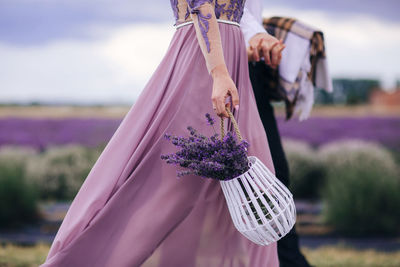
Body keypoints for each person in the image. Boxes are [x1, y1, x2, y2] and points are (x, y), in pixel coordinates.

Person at [40, 1, 282, 266]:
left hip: (227, 59)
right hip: (204, 64)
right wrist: (219, 72)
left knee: (250, 182)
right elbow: (201, 6)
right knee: (173, 186)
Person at [240, 0, 312, 266]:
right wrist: (254, 35)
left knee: (274, 173)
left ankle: (288, 261)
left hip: (251, 67)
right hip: (219, 66)